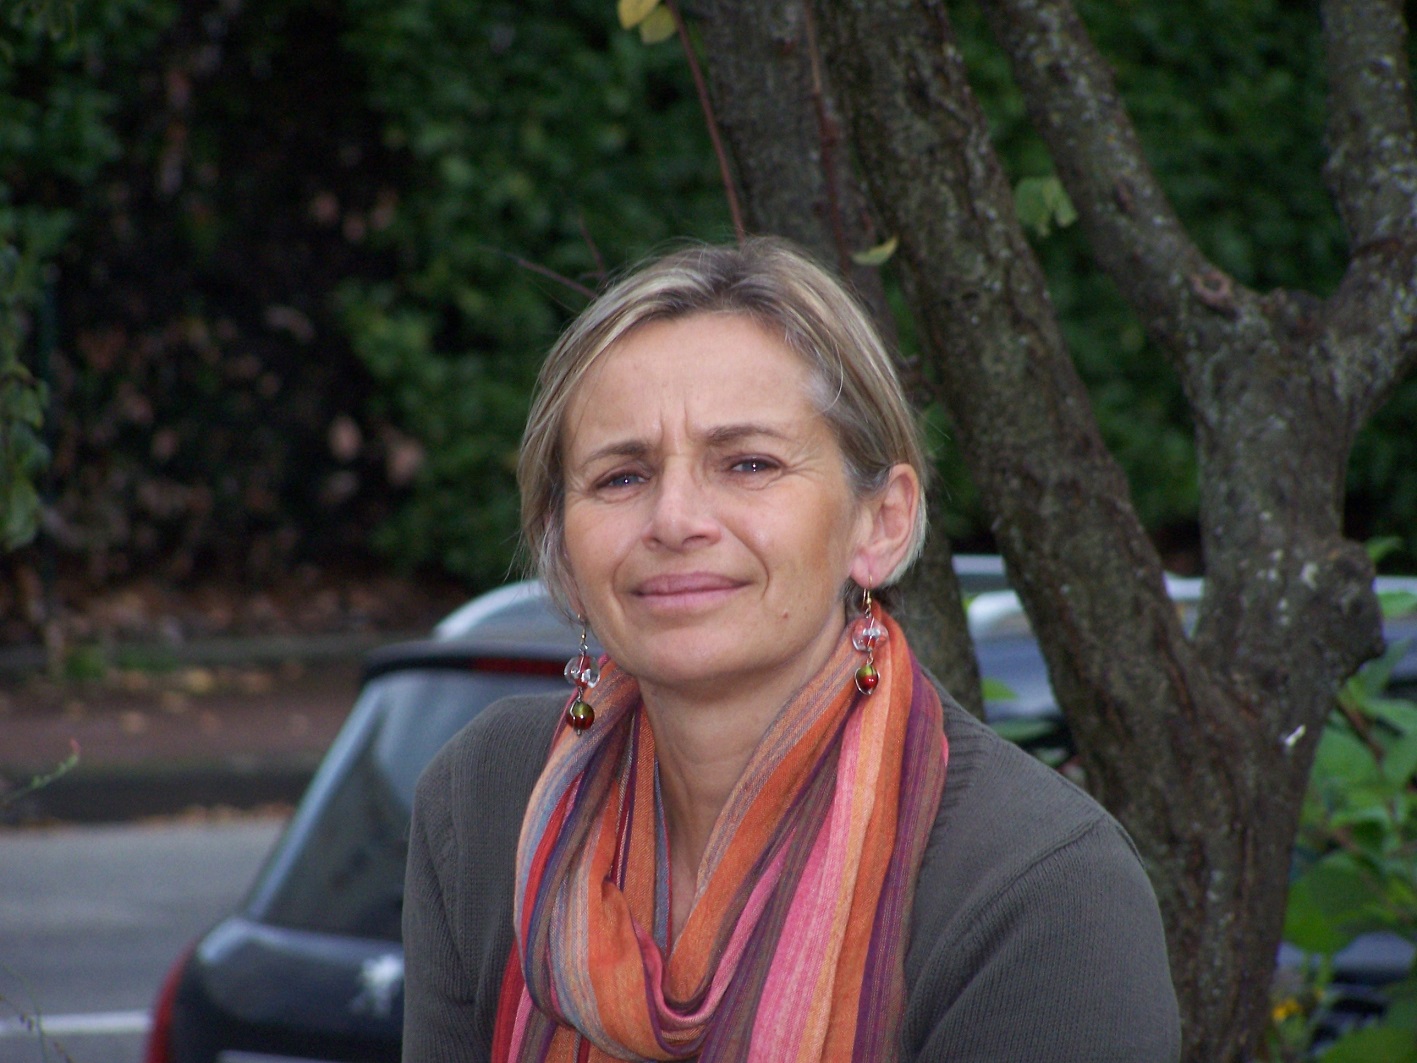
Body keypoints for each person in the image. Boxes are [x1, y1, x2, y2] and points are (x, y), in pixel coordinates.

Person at [402, 237, 1181, 1062]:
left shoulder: (1040, 887)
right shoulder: (484, 801)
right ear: (561, 546)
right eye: (621, 476)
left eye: (748, 463)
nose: (675, 520)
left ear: (879, 523)